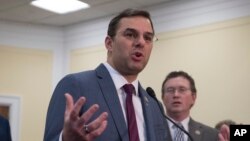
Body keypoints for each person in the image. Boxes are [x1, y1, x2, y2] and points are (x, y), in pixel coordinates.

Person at [44, 8, 168, 141]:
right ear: (109, 43)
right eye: (130, 35)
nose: (141, 42)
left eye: (148, 38)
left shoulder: (155, 105)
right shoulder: (76, 85)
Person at [161, 71, 222, 141]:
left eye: (182, 90)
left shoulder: (212, 135)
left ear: (193, 97)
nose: (176, 95)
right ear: (163, 97)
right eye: (170, 90)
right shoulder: (149, 129)